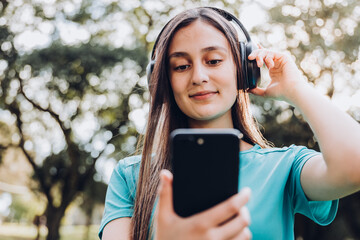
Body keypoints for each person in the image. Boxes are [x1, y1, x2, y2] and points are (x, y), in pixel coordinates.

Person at [99, 7, 360, 240]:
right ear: (163, 81)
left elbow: (355, 166)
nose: (199, 76)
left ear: (243, 70)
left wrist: (298, 89)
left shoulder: (284, 168)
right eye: (181, 66)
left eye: (213, 61)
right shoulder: (131, 177)